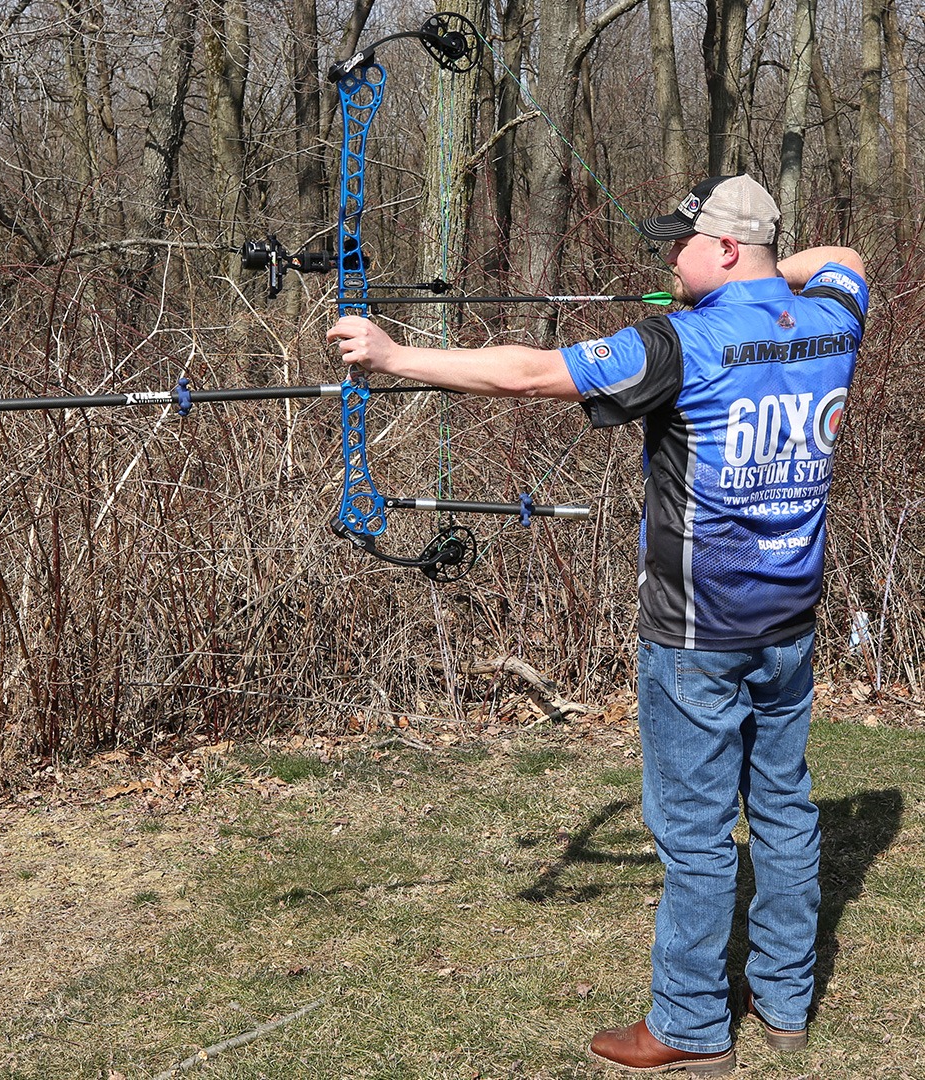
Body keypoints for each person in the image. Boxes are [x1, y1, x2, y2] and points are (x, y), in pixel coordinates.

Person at [327, 173, 867, 1075]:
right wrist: (765, 283)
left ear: (726, 247)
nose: (668, 260)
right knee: (783, 809)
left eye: (684, 247)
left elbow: (532, 373)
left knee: (693, 832)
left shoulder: (680, 342)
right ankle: (783, 1000)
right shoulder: (831, 321)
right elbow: (844, 262)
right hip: (789, 623)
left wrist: (392, 356)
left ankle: (692, 1027)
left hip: (697, 633)